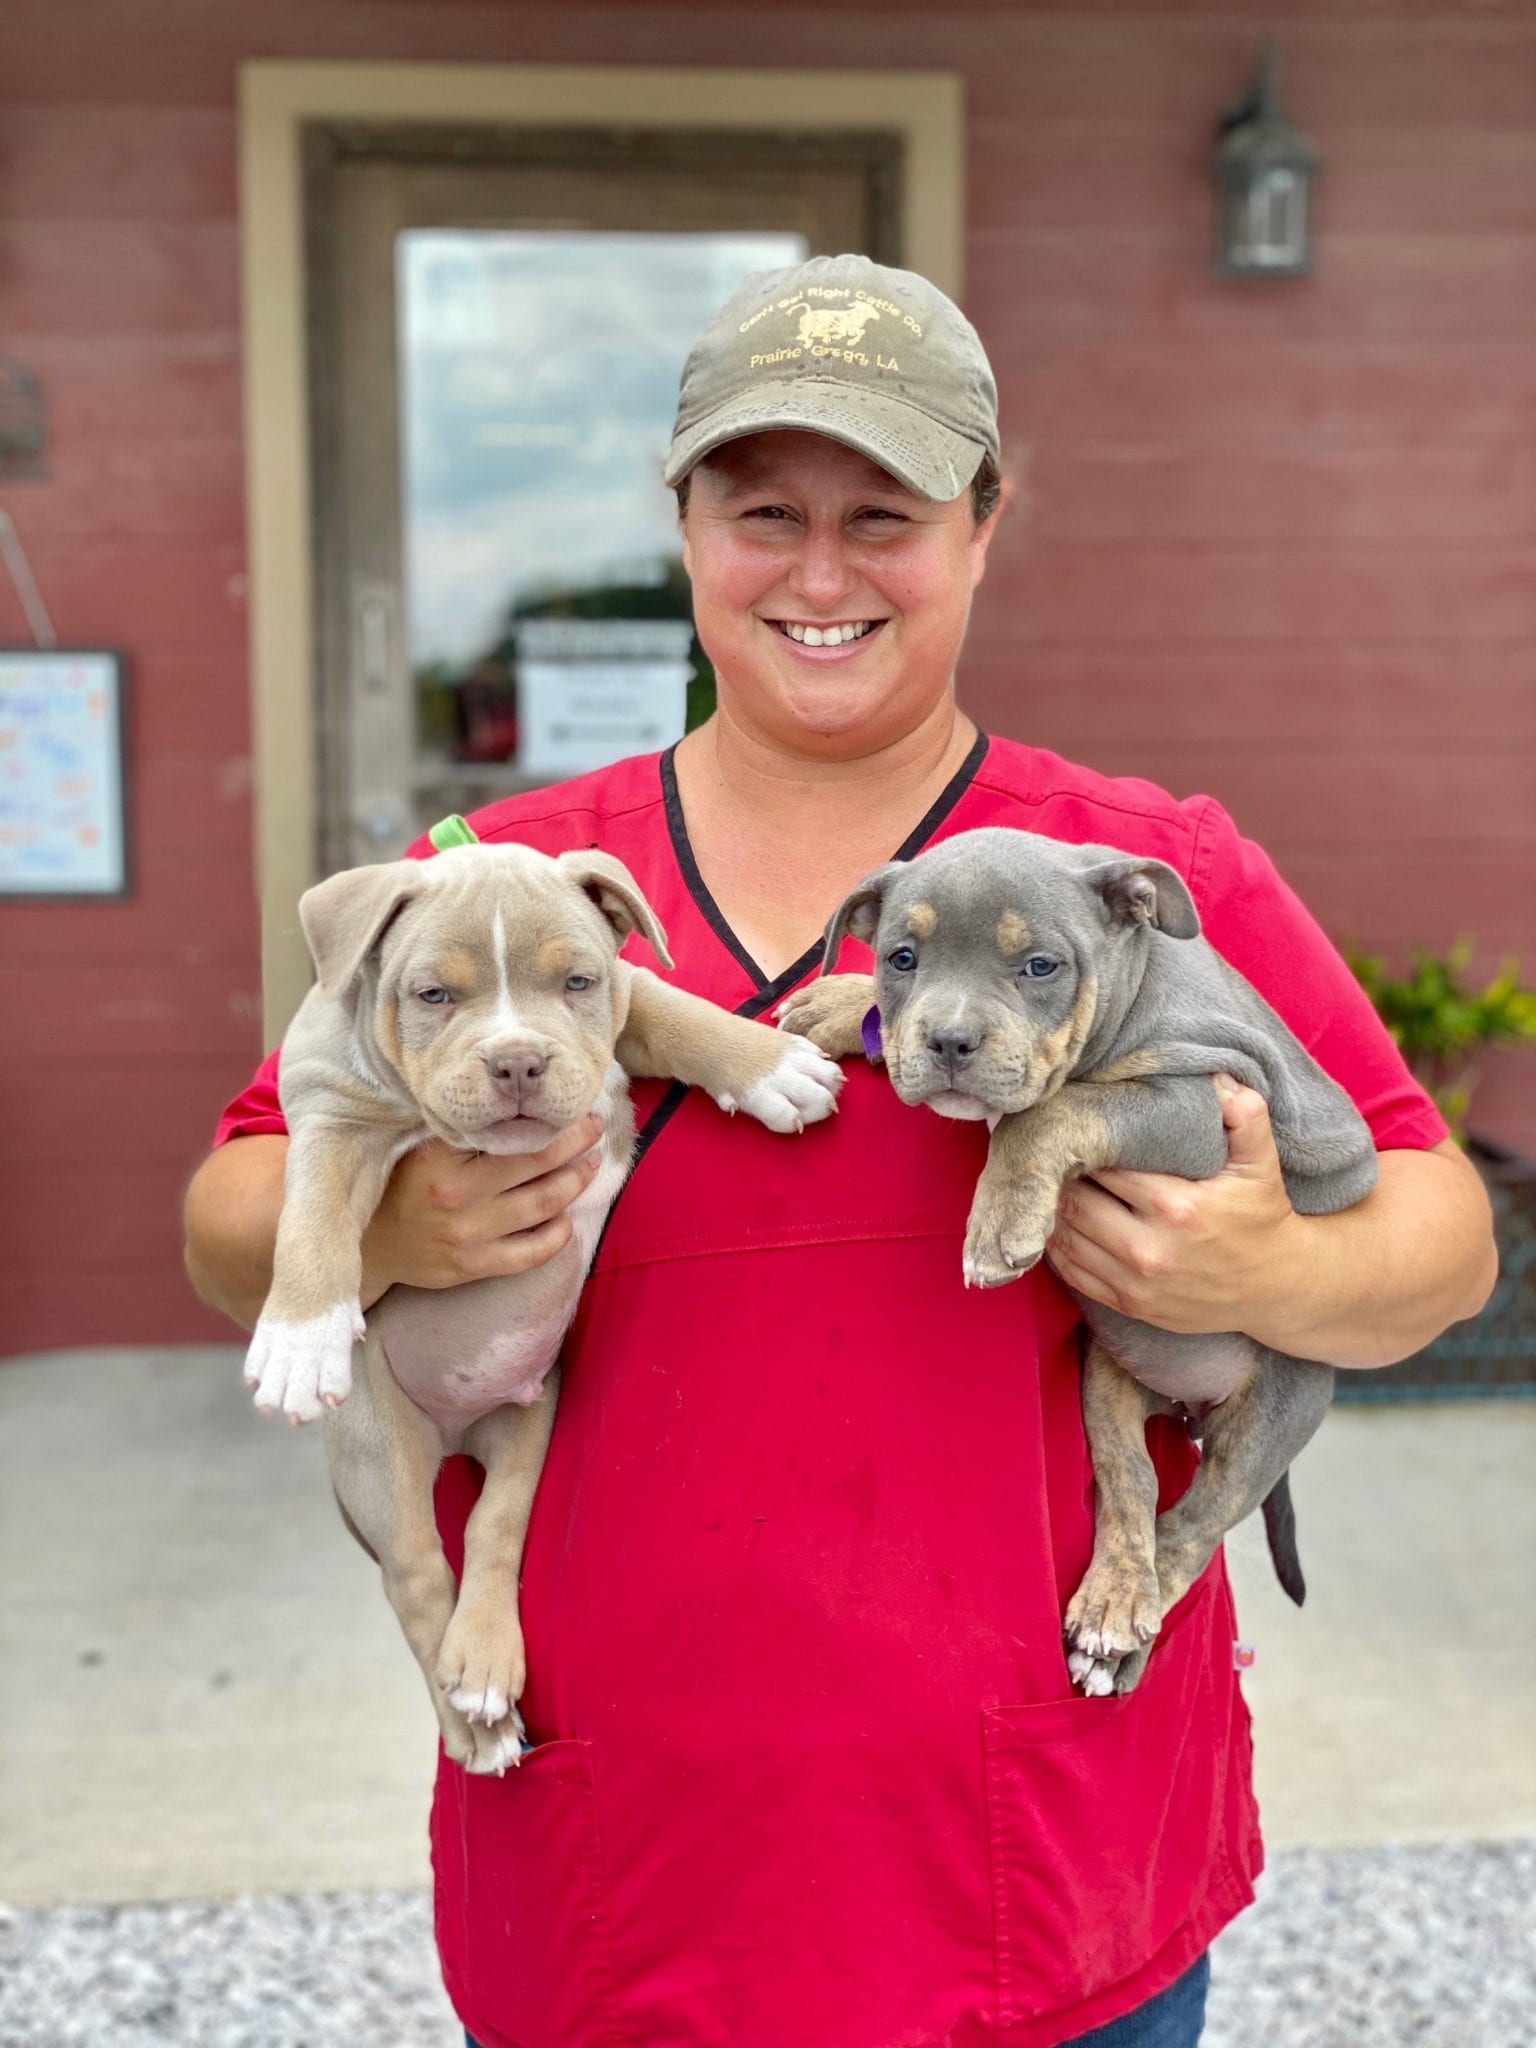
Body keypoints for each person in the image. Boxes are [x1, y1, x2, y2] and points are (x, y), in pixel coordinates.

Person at [184, 254, 1496, 2048]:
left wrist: (1267, 1269)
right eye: (762, 510)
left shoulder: (1130, 862)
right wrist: (406, 1217)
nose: (818, 574)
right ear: (685, 525)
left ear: (983, 526)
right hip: (619, 1876)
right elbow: (234, 1219)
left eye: (883, 514)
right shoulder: (514, 888)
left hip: (1042, 1870)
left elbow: (1440, 1236)